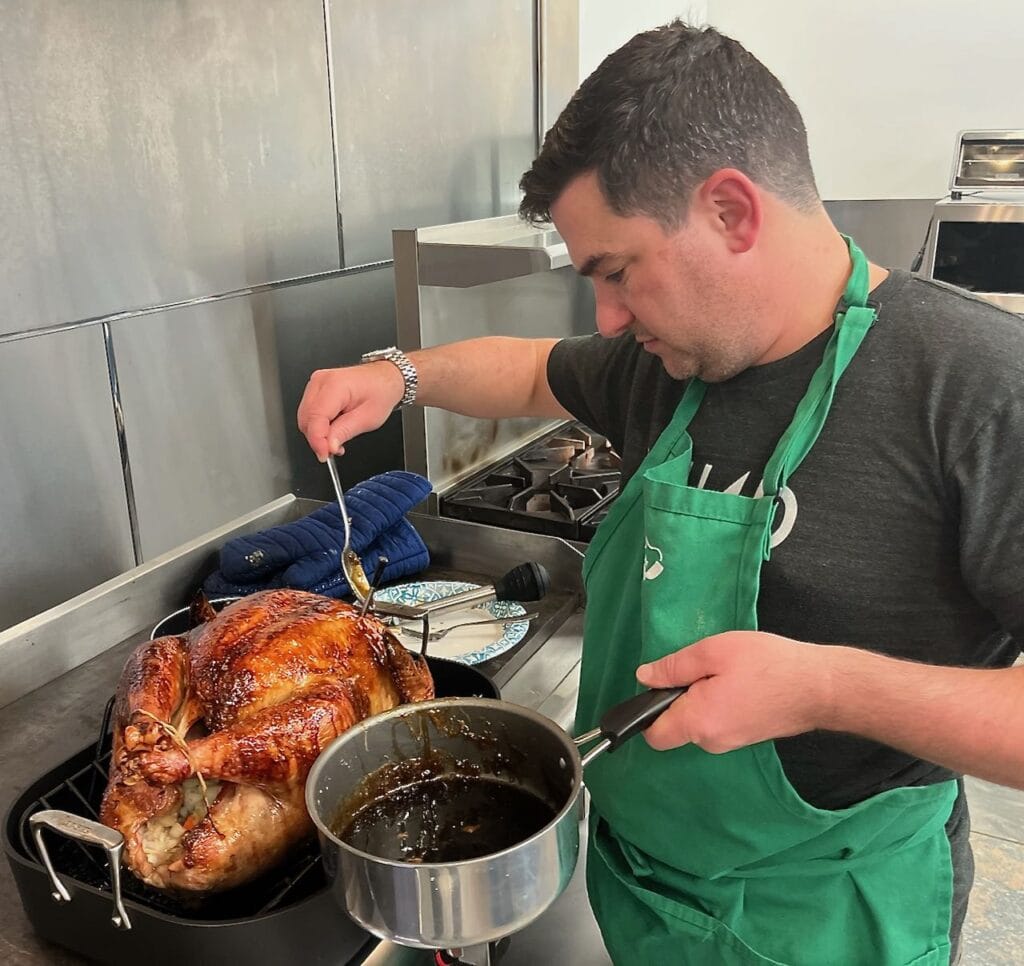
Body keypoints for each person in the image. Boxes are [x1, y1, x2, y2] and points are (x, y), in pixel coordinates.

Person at [298, 21, 1024, 966]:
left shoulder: (976, 387)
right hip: (644, 895)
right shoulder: (670, 366)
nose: (604, 317)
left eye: (616, 272)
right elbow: (525, 371)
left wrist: (824, 687)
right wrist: (395, 376)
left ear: (731, 211)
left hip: (826, 921)